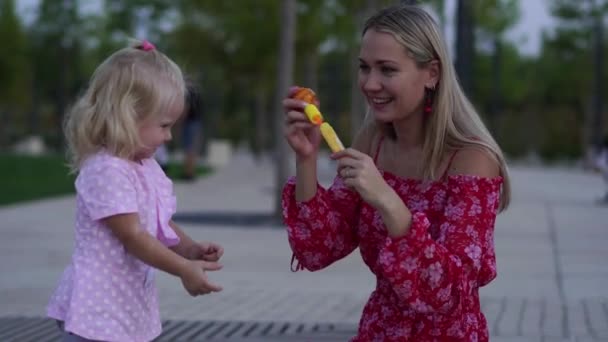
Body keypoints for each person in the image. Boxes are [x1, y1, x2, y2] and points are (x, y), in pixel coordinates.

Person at [282, 4, 511, 342]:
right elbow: (318, 249)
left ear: (431, 73)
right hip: (378, 331)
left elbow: (448, 294)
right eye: (364, 68)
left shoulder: (472, 160)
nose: (370, 83)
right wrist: (306, 160)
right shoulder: (370, 142)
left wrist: (387, 199)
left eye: (387, 70)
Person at [46, 40, 224, 342]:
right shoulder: (106, 170)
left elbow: (156, 225)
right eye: (164, 125)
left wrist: (190, 249)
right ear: (126, 117)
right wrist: (182, 268)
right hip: (99, 307)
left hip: (127, 303)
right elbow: (133, 236)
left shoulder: (143, 165)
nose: (169, 136)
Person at [181, 81, 203, 180]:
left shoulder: (189, 94)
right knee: (192, 148)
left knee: (189, 148)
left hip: (190, 123)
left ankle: (188, 173)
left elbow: (186, 108)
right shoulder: (197, 93)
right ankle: (190, 172)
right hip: (196, 122)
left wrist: (179, 121)